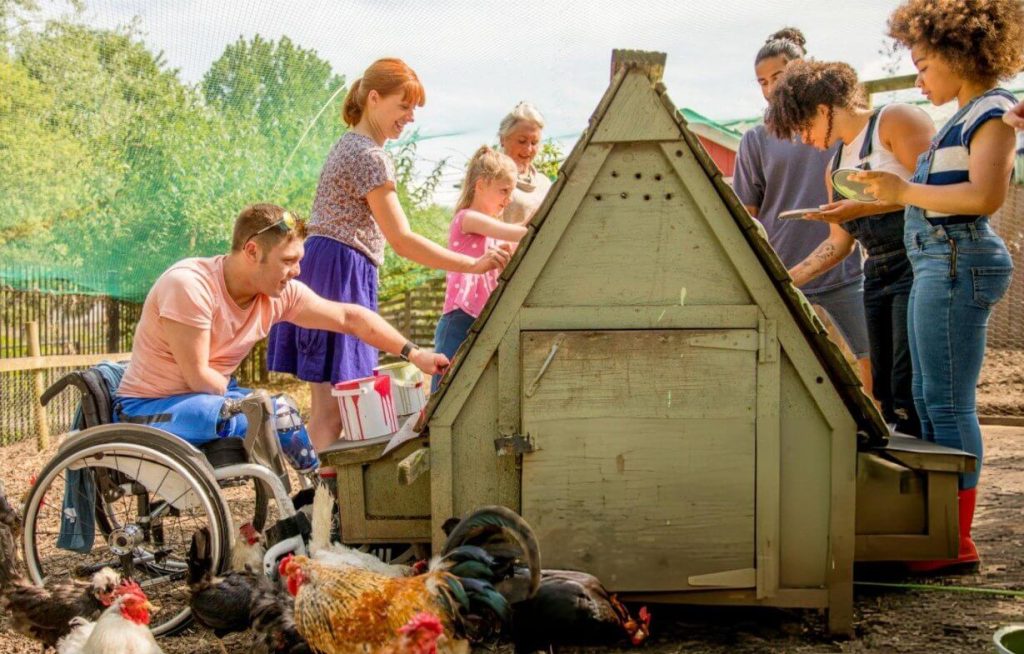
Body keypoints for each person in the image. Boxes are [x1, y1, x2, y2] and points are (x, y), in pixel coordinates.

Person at [266, 59, 510, 464]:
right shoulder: (370, 156)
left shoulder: (350, 144)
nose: (410, 118)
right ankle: (320, 504)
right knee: (340, 411)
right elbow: (402, 239)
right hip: (341, 269)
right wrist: (472, 264)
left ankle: (313, 502)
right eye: (404, 106)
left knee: (331, 410)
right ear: (374, 99)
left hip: (329, 262)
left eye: (414, 110)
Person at [854, 0, 1022, 573]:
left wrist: (901, 193)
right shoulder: (960, 114)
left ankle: (956, 543)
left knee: (948, 404)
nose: (919, 78)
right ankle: (937, 533)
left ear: (957, 51)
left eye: (924, 64)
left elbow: (982, 198)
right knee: (926, 398)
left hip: (956, 258)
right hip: (935, 261)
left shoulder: (994, 111)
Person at [115, 204, 448, 446]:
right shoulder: (190, 285)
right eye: (288, 261)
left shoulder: (277, 294)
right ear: (251, 251)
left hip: (210, 400)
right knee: (259, 411)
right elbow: (198, 378)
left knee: (282, 412)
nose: (298, 272)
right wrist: (252, 402)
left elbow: (350, 318)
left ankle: (316, 499)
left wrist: (414, 354)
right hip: (149, 410)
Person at [765, 60, 935, 436]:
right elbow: (839, 242)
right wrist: (786, 280)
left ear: (824, 110)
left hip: (919, 262)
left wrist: (862, 207)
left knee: (913, 383)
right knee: (885, 386)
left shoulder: (895, 120)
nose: (805, 139)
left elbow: (937, 192)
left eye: (804, 126)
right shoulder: (834, 165)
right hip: (876, 271)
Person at [732, 28, 872, 392]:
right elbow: (748, 212)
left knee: (869, 361)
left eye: (777, 77)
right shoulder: (756, 139)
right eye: (762, 82)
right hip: (786, 269)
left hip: (842, 269)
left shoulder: (837, 123)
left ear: (802, 69)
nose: (769, 89)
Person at [432, 147, 527, 390]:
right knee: (443, 390)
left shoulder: (491, 228)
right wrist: (541, 213)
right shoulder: (467, 218)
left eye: (511, 192)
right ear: (482, 185)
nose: (508, 199)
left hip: (482, 314)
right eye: (504, 190)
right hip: (459, 316)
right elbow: (519, 232)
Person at [498, 102, 553, 225]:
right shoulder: (490, 177)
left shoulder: (545, 184)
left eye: (534, 143)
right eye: (522, 141)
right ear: (502, 139)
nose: (528, 149)